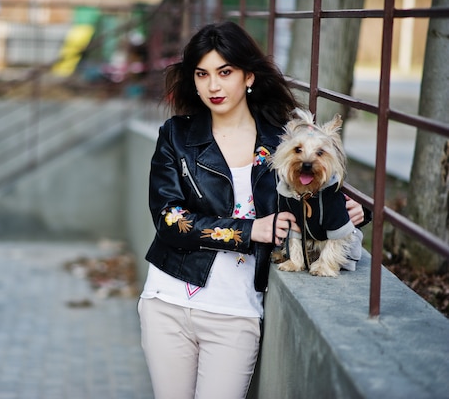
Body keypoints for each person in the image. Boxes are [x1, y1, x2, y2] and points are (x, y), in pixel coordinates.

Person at [138, 21, 367, 399]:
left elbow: (319, 186)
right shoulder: (176, 135)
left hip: (235, 312)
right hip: (167, 304)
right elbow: (168, 219)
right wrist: (251, 231)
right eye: (203, 74)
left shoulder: (285, 141)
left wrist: (352, 212)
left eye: (225, 73)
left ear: (248, 76)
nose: (214, 86)